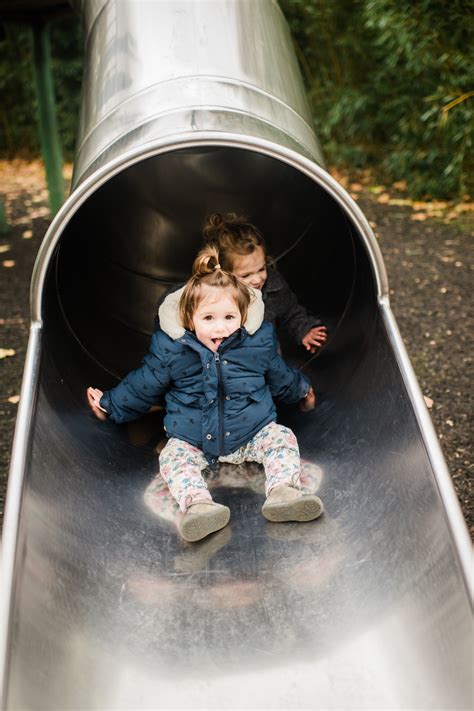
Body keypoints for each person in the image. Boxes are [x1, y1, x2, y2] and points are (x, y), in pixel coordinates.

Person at [87, 245, 323, 543]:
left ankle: (283, 493)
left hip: (251, 432)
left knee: (282, 438)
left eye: (229, 317)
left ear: (243, 315)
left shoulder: (257, 343)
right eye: (208, 318)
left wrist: (301, 391)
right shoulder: (172, 351)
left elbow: (280, 375)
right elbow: (142, 385)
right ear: (189, 318)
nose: (220, 327)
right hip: (195, 439)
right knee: (173, 457)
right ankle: (198, 506)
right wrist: (109, 405)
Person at [202, 213, 327, 353]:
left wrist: (304, 330)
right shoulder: (208, 295)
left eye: (261, 269)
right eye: (246, 275)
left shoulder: (273, 288)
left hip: (266, 362)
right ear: (222, 274)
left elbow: (290, 311)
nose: (257, 280)